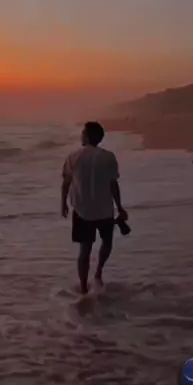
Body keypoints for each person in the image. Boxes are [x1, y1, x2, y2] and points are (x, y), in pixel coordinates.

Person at [61, 121, 128, 295]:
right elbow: (113, 184)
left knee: (85, 249)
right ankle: (98, 271)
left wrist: (63, 204)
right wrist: (120, 207)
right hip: (105, 209)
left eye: (83, 132)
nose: (81, 135)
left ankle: (83, 287)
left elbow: (66, 182)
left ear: (87, 136)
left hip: (82, 209)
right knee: (107, 243)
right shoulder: (108, 157)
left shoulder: (73, 156)